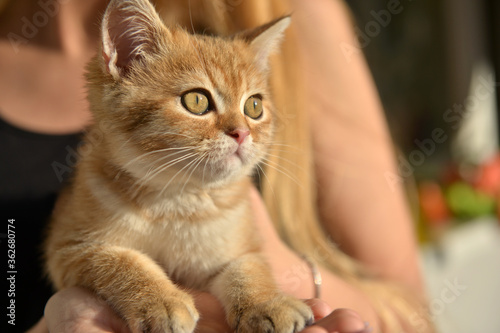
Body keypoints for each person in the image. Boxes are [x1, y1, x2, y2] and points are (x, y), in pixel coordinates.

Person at [0, 0, 433, 332]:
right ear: (125, 64)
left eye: (254, 106)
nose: (239, 129)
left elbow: (415, 315)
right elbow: (74, 252)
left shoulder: (293, 9)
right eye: (198, 101)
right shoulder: (98, 183)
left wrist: (290, 282)